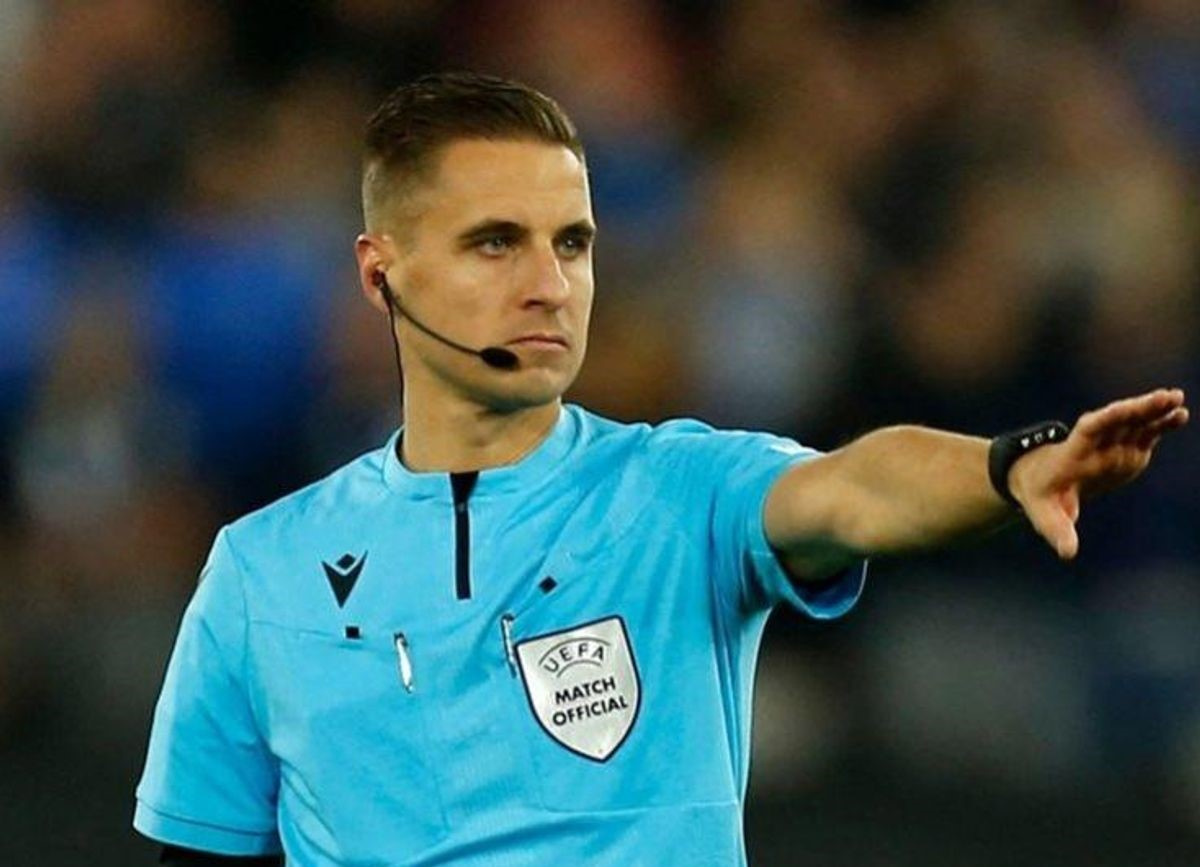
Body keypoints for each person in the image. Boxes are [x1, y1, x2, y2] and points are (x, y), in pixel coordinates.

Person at [133, 72, 1189, 866]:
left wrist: (1006, 468)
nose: (551, 285)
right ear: (383, 274)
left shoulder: (682, 493)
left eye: (573, 243)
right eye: (496, 243)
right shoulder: (261, 570)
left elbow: (857, 486)